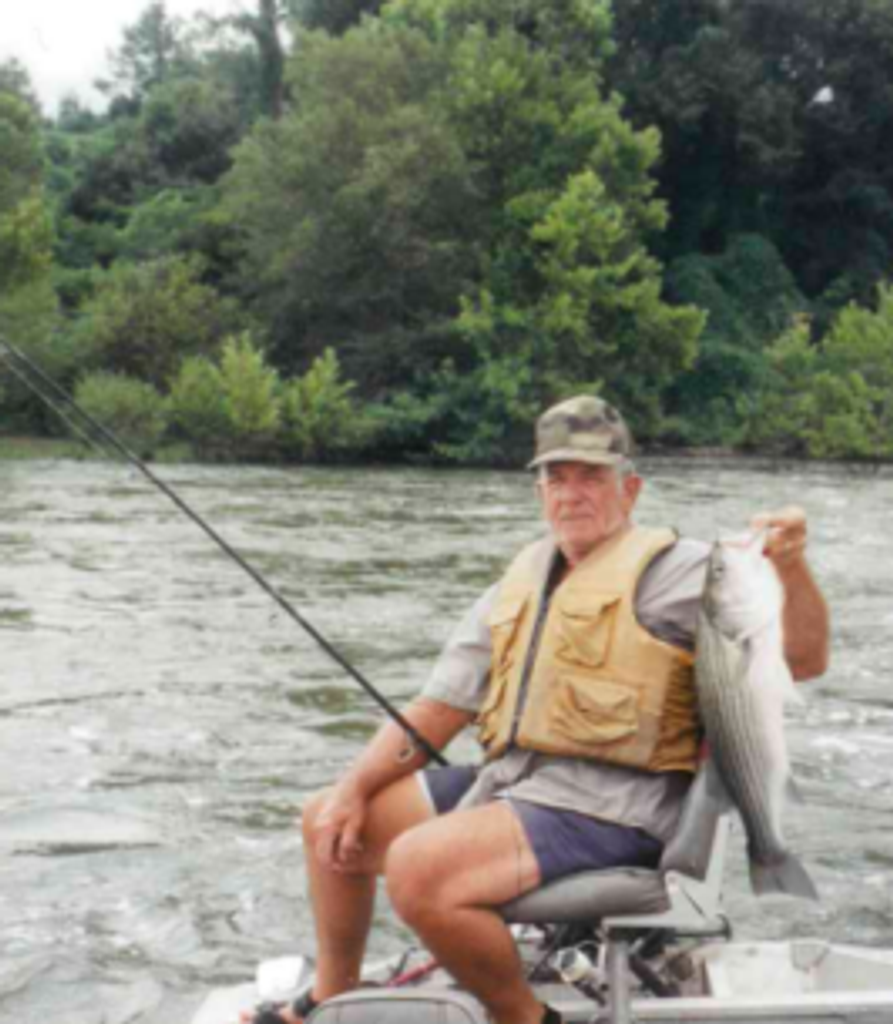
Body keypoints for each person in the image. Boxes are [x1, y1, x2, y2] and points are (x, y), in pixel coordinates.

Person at [245, 395, 830, 1024]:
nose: (571, 493)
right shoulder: (521, 579)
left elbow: (803, 659)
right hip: (514, 783)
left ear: (629, 491)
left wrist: (790, 568)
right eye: (556, 478)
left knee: (419, 868)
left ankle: (525, 1017)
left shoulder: (688, 570)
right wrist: (355, 787)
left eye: (591, 477)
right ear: (540, 491)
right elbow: (440, 707)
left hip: (617, 807)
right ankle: (333, 993)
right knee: (325, 819)